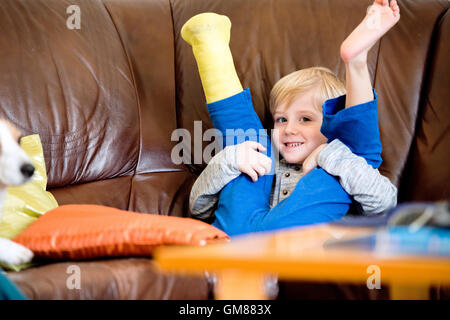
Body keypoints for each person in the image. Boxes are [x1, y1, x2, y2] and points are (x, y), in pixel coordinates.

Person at [182, 0, 400, 236]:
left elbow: (384, 204)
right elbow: (198, 209)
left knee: (350, 154)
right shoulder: (262, 156)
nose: (289, 129)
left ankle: (356, 63)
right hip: (236, 238)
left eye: (305, 119)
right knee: (249, 144)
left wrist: (329, 154)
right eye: (281, 119)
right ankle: (210, 45)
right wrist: (228, 161)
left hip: (295, 249)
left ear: (330, 125)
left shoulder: (340, 164)